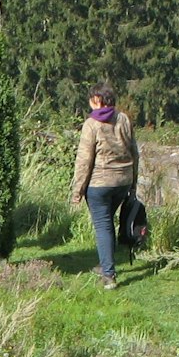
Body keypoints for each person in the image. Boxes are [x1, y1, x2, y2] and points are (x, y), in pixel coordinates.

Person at [71, 83, 140, 289]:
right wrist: (133, 182)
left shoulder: (91, 124)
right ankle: (105, 264)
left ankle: (108, 275)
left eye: (91, 98)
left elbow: (84, 161)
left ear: (97, 100)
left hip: (99, 183)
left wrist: (77, 191)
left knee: (103, 226)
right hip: (122, 181)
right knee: (107, 223)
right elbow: (134, 152)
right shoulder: (123, 119)